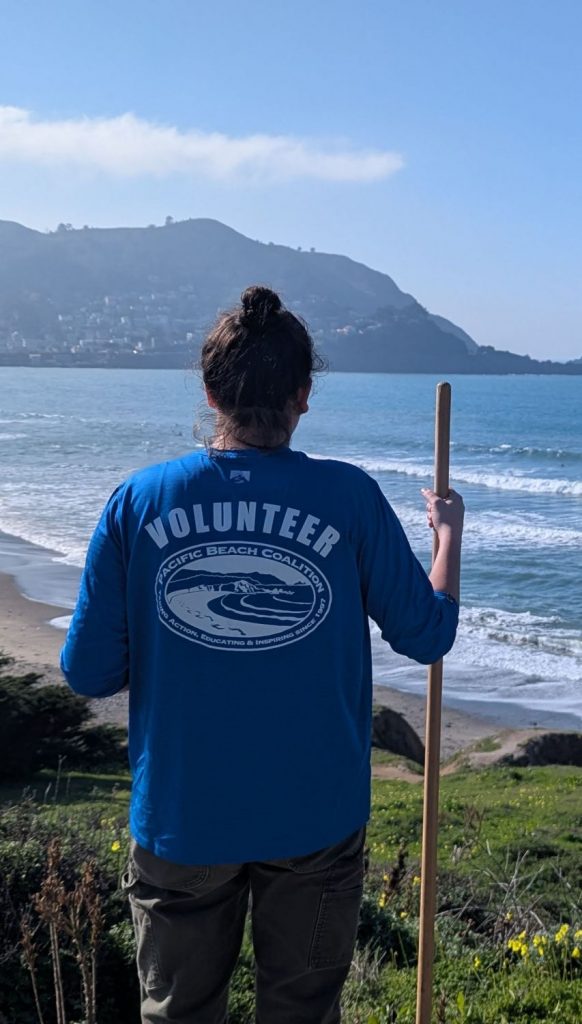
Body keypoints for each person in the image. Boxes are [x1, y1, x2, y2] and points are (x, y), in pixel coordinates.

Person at [60, 285, 464, 1024]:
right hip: (315, 821)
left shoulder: (138, 502)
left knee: (177, 1015)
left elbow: (89, 672)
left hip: (183, 819)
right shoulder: (349, 498)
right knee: (302, 1011)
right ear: (304, 395)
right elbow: (428, 633)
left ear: (211, 391)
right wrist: (445, 537)